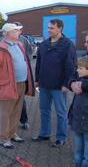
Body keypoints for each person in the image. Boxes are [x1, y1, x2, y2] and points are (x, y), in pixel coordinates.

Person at [0, 23, 35, 149]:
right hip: (8, 84)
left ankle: (12, 133)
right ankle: (4, 138)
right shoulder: (1, 48)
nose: (19, 33)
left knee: (17, 110)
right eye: (16, 31)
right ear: (8, 33)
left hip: (21, 83)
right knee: (6, 112)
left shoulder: (19, 45)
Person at [33, 19, 77, 148]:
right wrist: (37, 79)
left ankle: (61, 138)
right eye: (48, 27)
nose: (49, 30)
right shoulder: (44, 44)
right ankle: (45, 133)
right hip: (44, 84)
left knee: (61, 112)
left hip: (59, 86)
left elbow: (70, 66)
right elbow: (39, 63)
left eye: (52, 28)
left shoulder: (67, 45)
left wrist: (66, 84)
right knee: (44, 110)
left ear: (60, 28)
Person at [69, 28, 88, 167]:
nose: (85, 44)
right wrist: (72, 83)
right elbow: (73, 75)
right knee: (79, 149)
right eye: (85, 41)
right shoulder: (86, 58)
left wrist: (83, 85)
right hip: (79, 112)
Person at [14, 22, 34, 130]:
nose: (16, 31)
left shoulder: (24, 41)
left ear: (21, 30)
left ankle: (24, 120)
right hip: (9, 76)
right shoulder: (5, 41)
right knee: (9, 100)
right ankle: (10, 121)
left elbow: (29, 54)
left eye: (18, 29)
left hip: (21, 76)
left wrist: (24, 65)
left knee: (21, 99)